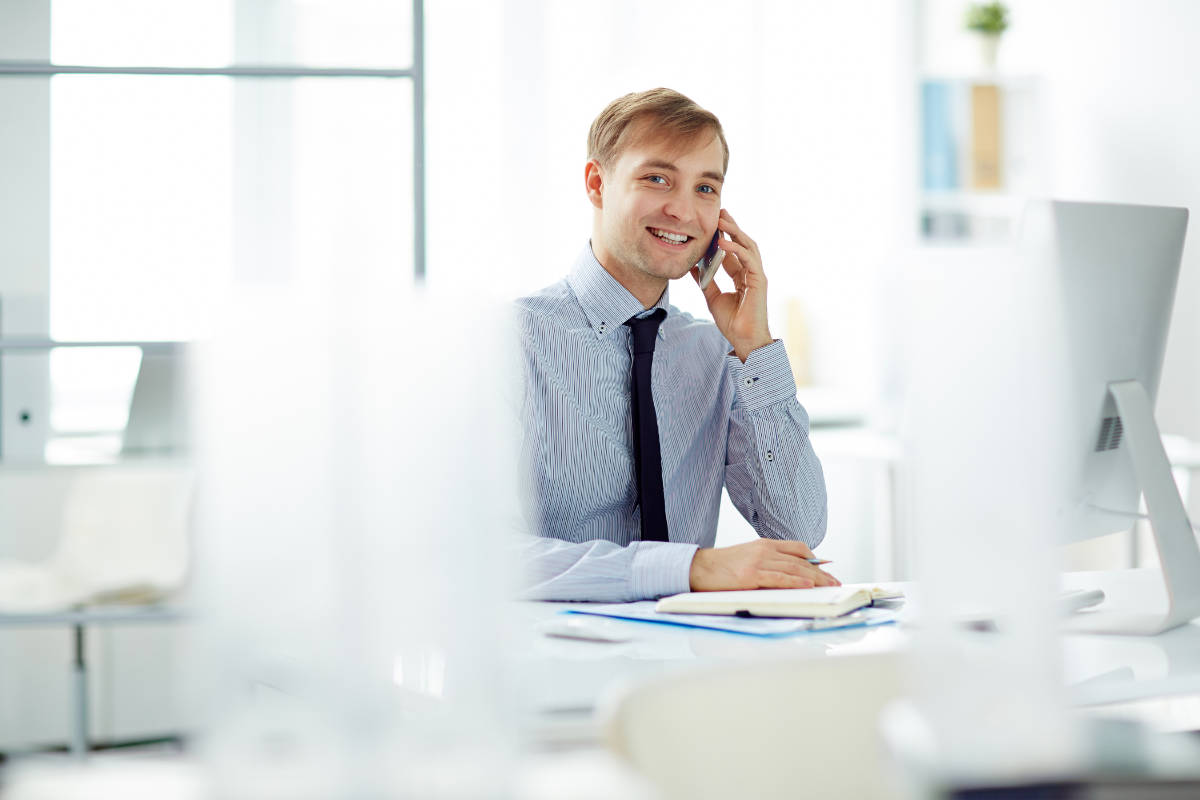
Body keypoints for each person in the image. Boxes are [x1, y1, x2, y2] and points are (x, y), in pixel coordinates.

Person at [515, 88, 832, 602]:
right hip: (551, 665)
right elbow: (487, 555)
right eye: (657, 178)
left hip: (685, 664)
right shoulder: (510, 343)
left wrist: (755, 346)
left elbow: (799, 528)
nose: (683, 210)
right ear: (597, 184)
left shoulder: (715, 354)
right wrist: (689, 569)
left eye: (705, 188)